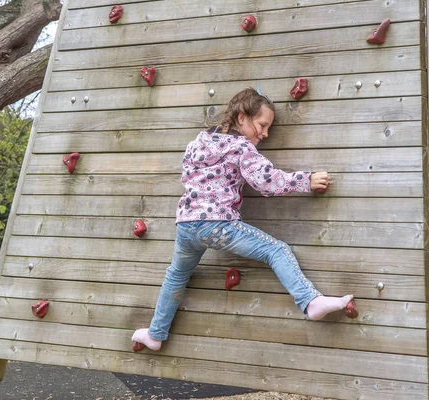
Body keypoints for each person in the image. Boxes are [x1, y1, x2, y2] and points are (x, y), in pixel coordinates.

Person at [131, 87, 355, 352]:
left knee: (177, 275)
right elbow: (267, 182)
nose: (265, 133)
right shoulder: (240, 146)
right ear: (241, 118)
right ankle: (310, 301)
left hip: (187, 223)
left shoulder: (197, 142)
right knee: (276, 250)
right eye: (262, 125)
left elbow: (189, 178)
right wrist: (306, 180)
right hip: (216, 224)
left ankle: (156, 334)